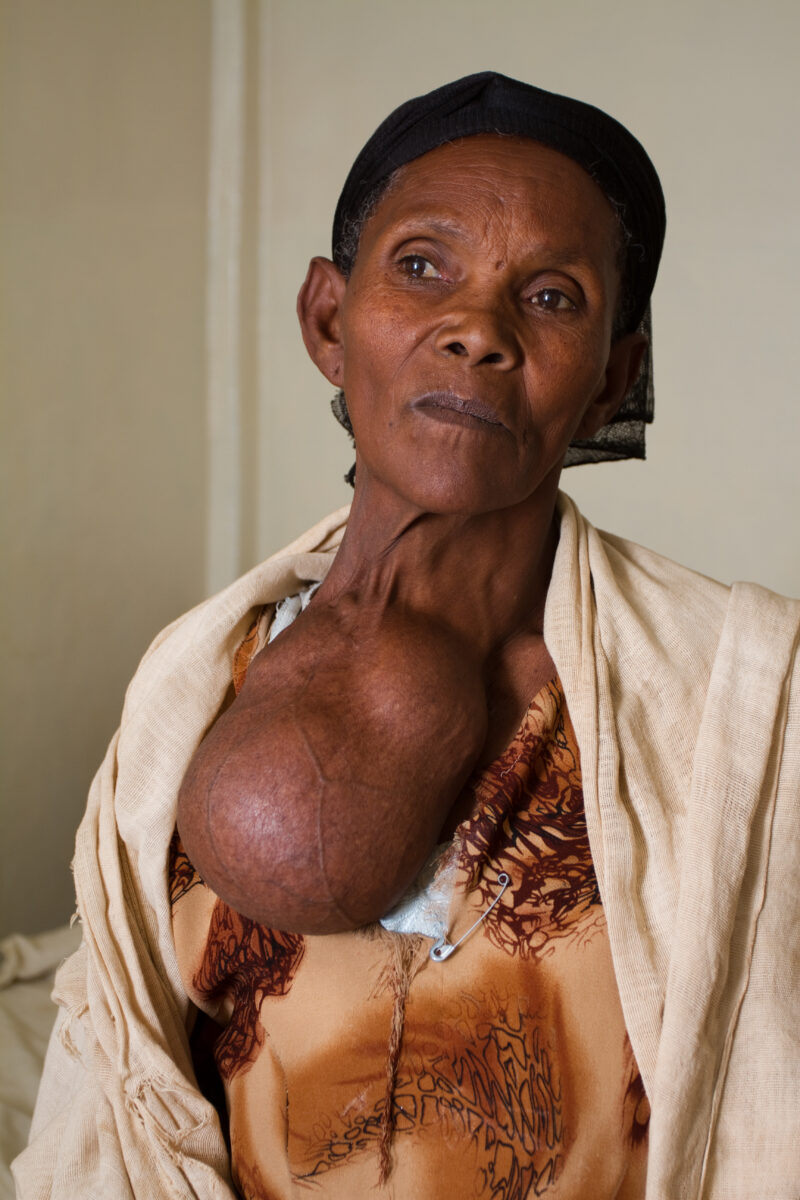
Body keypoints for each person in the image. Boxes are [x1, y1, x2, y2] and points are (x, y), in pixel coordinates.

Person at [13, 73, 799, 1200]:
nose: (475, 328)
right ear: (329, 322)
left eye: (552, 297)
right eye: (421, 267)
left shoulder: (737, 700)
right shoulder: (194, 685)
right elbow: (123, 1097)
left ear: (612, 382)